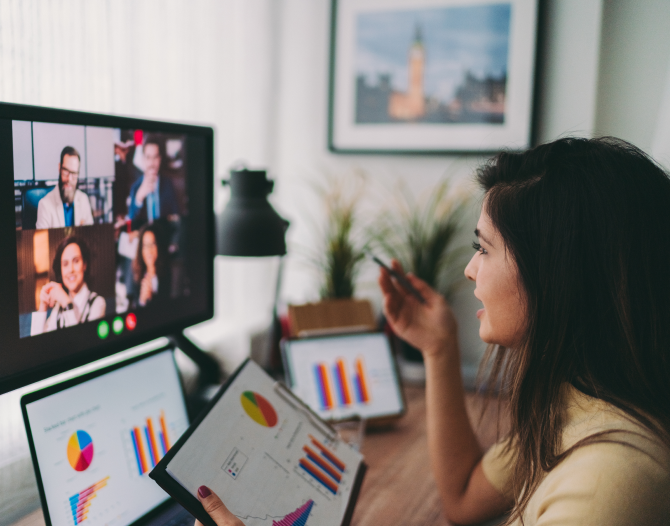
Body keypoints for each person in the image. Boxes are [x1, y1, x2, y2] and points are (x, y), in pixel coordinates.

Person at [194, 137, 670, 526]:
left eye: (483, 249)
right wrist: (438, 348)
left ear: (556, 275)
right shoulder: (571, 408)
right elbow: (464, 496)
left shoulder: (610, 480)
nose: (469, 270)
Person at [31, 236, 106, 335]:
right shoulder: (58, 308)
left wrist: (67, 304)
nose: (70, 269)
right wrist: (43, 306)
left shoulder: (97, 303)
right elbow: (37, 344)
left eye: (76, 261)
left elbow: (82, 343)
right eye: (65, 264)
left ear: (84, 265)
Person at [127, 136, 180, 230]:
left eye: (155, 157)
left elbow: (177, 220)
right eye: (148, 157)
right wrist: (139, 198)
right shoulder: (135, 188)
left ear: (159, 159)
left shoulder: (168, 184)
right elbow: (132, 226)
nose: (151, 163)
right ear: (143, 159)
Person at [35, 146, 94, 229]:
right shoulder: (44, 205)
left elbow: (90, 236)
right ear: (59, 168)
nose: (69, 179)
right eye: (66, 171)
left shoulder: (84, 200)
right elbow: (41, 241)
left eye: (73, 173)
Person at [130, 223, 171, 307]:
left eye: (153, 244)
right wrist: (142, 300)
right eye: (145, 245)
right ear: (141, 249)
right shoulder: (136, 276)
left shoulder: (169, 273)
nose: (149, 250)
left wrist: (152, 297)